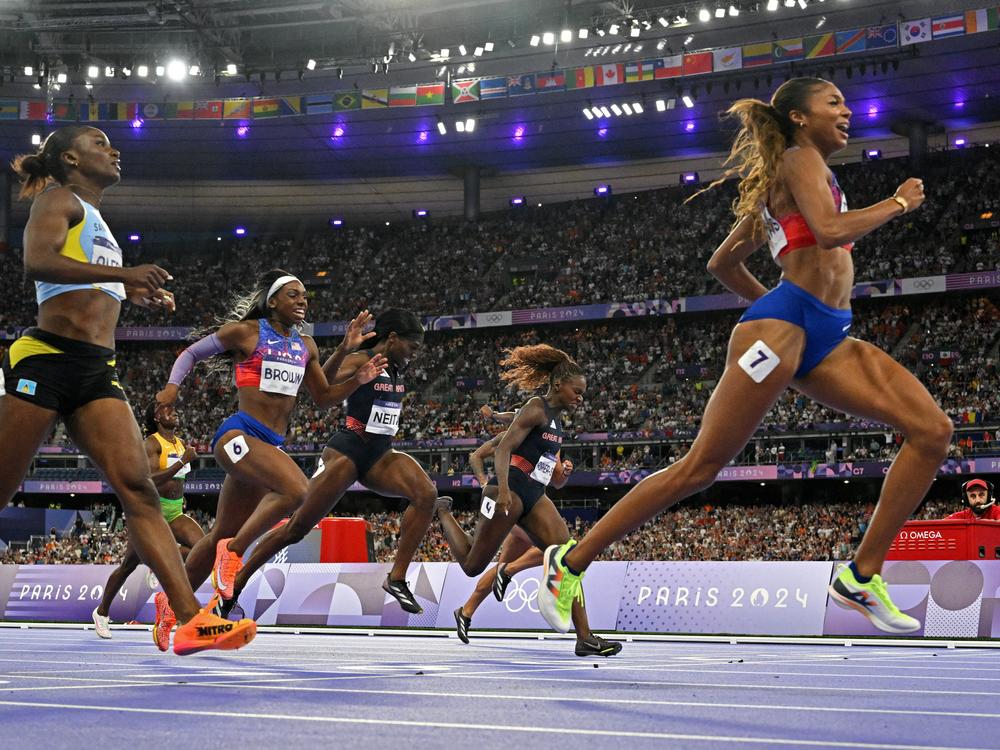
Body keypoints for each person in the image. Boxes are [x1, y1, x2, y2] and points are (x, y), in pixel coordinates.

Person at [537, 77, 950, 636]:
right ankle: (569, 564)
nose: (847, 111)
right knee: (700, 468)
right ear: (800, 119)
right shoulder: (802, 159)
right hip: (783, 329)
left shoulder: (797, 176)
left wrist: (789, 311)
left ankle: (861, 574)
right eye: (834, 103)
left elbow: (723, 266)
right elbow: (828, 234)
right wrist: (898, 203)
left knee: (931, 430)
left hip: (823, 332)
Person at [0, 125, 255, 654]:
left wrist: (129, 291)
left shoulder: (99, 222)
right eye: (99, 143)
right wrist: (122, 274)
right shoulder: (57, 199)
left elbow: (89, 284)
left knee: (139, 490)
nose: (113, 150)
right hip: (46, 357)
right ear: (70, 157)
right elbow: (38, 261)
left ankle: (190, 619)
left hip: (97, 369)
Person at [155, 271, 385, 641]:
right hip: (237, 435)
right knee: (297, 491)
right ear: (272, 300)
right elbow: (191, 353)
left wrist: (351, 367)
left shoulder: (306, 345)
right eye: (293, 295)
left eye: (306, 297)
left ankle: (170, 601)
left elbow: (323, 397)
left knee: (220, 532)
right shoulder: (246, 332)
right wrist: (171, 388)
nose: (302, 302)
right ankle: (234, 554)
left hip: (266, 447)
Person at [218, 309, 447, 617]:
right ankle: (237, 583)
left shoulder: (396, 366)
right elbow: (322, 384)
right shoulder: (361, 360)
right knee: (296, 529)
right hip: (347, 453)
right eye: (412, 347)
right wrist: (344, 351)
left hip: (381, 453)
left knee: (426, 494)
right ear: (392, 339)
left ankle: (396, 579)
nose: (415, 355)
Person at [438, 345, 621, 656]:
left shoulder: (555, 419)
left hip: (535, 493)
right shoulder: (536, 407)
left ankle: (585, 637)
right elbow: (502, 450)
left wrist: (560, 472)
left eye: (582, 393)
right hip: (508, 489)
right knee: (472, 564)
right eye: (576, 391)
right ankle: (442, 512)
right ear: (559, 385)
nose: (580, 397)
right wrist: (504, 490)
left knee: (569, 558)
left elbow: (523, 431)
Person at [92, 400, 204, 638]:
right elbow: (150, 479)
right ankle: (101, 612)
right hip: (150, 512)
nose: (174, 411)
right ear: (156, 418)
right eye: (167, 410)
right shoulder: (152, 443)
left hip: (174, 511)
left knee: (204, 548)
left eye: (174, 408)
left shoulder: (180, 443)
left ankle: (165, 581)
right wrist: (183, 461)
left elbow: (178, 482)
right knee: (127, 566)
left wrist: (181, 495)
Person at [451, 429, 544, 644]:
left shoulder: (546, 441)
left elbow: (556, 479)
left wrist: (564, 472)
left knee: (504, 562)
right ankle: (508, 571)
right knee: (554, 547)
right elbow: (475, 456)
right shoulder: (510, 434)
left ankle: (465, 611)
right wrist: (485, 483)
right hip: (509, 504)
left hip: (530, 504)